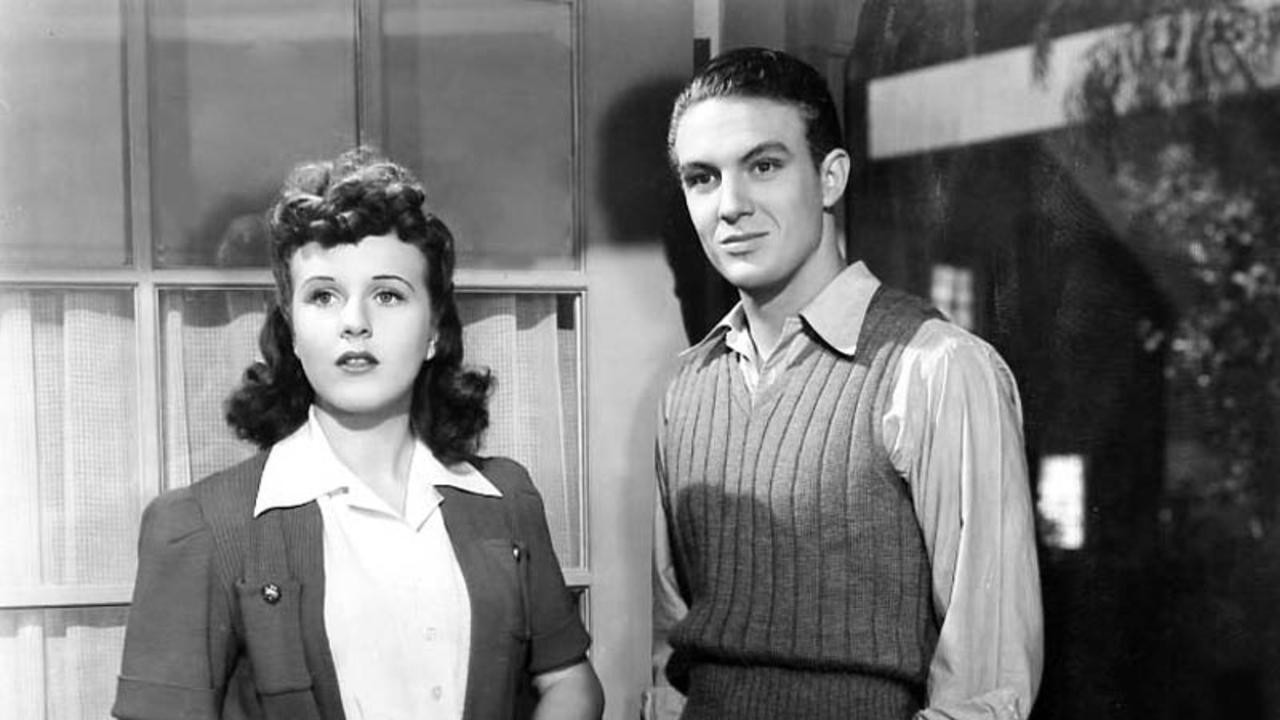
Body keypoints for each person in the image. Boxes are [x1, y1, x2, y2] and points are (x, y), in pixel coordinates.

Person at [113, 148, 604, 720]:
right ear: (291, 330)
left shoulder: (506, 499)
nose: (355, 322)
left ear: (434, 331)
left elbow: (571, 683)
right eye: (323, 296)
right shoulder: (201, 526)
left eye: (388, 295)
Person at [651, 48, 1043, 720]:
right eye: (702, 178)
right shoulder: (686, 389)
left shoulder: (936, 368)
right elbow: (672, 660)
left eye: (764, 166)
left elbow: (986, 686)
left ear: (830, 178)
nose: (731, 206)